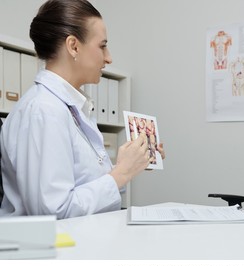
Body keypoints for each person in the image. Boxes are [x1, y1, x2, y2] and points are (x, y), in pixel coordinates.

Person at [0, 0, 165, 219]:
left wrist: (131, 163)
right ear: (74, 46)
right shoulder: (44, 110)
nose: (109, 57)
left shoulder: (70, 107)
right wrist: (120, 173)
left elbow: (82, 185)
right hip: (51, 248)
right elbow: (52, 213)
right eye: (102, 45)